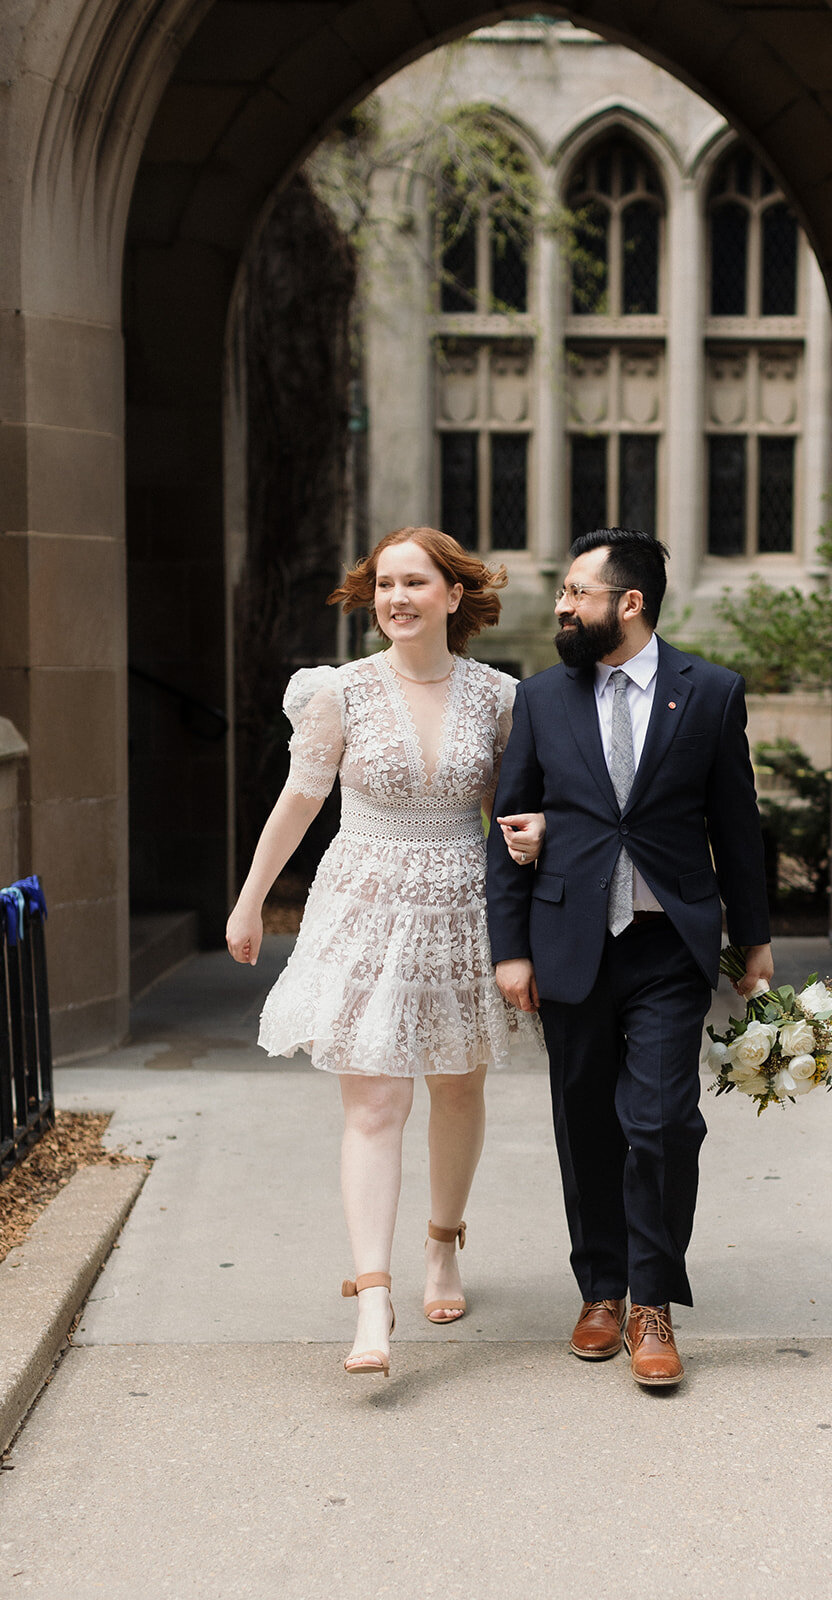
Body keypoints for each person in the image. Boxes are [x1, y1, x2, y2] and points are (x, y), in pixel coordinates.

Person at [226, 527, 543, 1378]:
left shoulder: (496, 696)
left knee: (457, 1084)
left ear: (452, 595)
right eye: (383, 584)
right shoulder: (337, 691)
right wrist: (252, 898)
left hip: (460, 906)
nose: (395, 598)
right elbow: (300, 800)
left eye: (414, 582)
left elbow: (507, 806)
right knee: (373, 1104)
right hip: (363, 904)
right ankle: (373, 1297)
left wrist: (528, 857)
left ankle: (443, 1243)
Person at [487, 528, 772, 1389]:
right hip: (569, 944)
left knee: (660, 1124)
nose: (562, 606)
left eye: (577, 592)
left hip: (665, 945)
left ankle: (651, 1302)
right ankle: (600, 1290)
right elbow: (507, 829)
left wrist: (752, 940)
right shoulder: (539, 699)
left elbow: (736, 823)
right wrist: (509, 951)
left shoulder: (712, 693)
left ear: (629, 603)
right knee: (586, 1126)